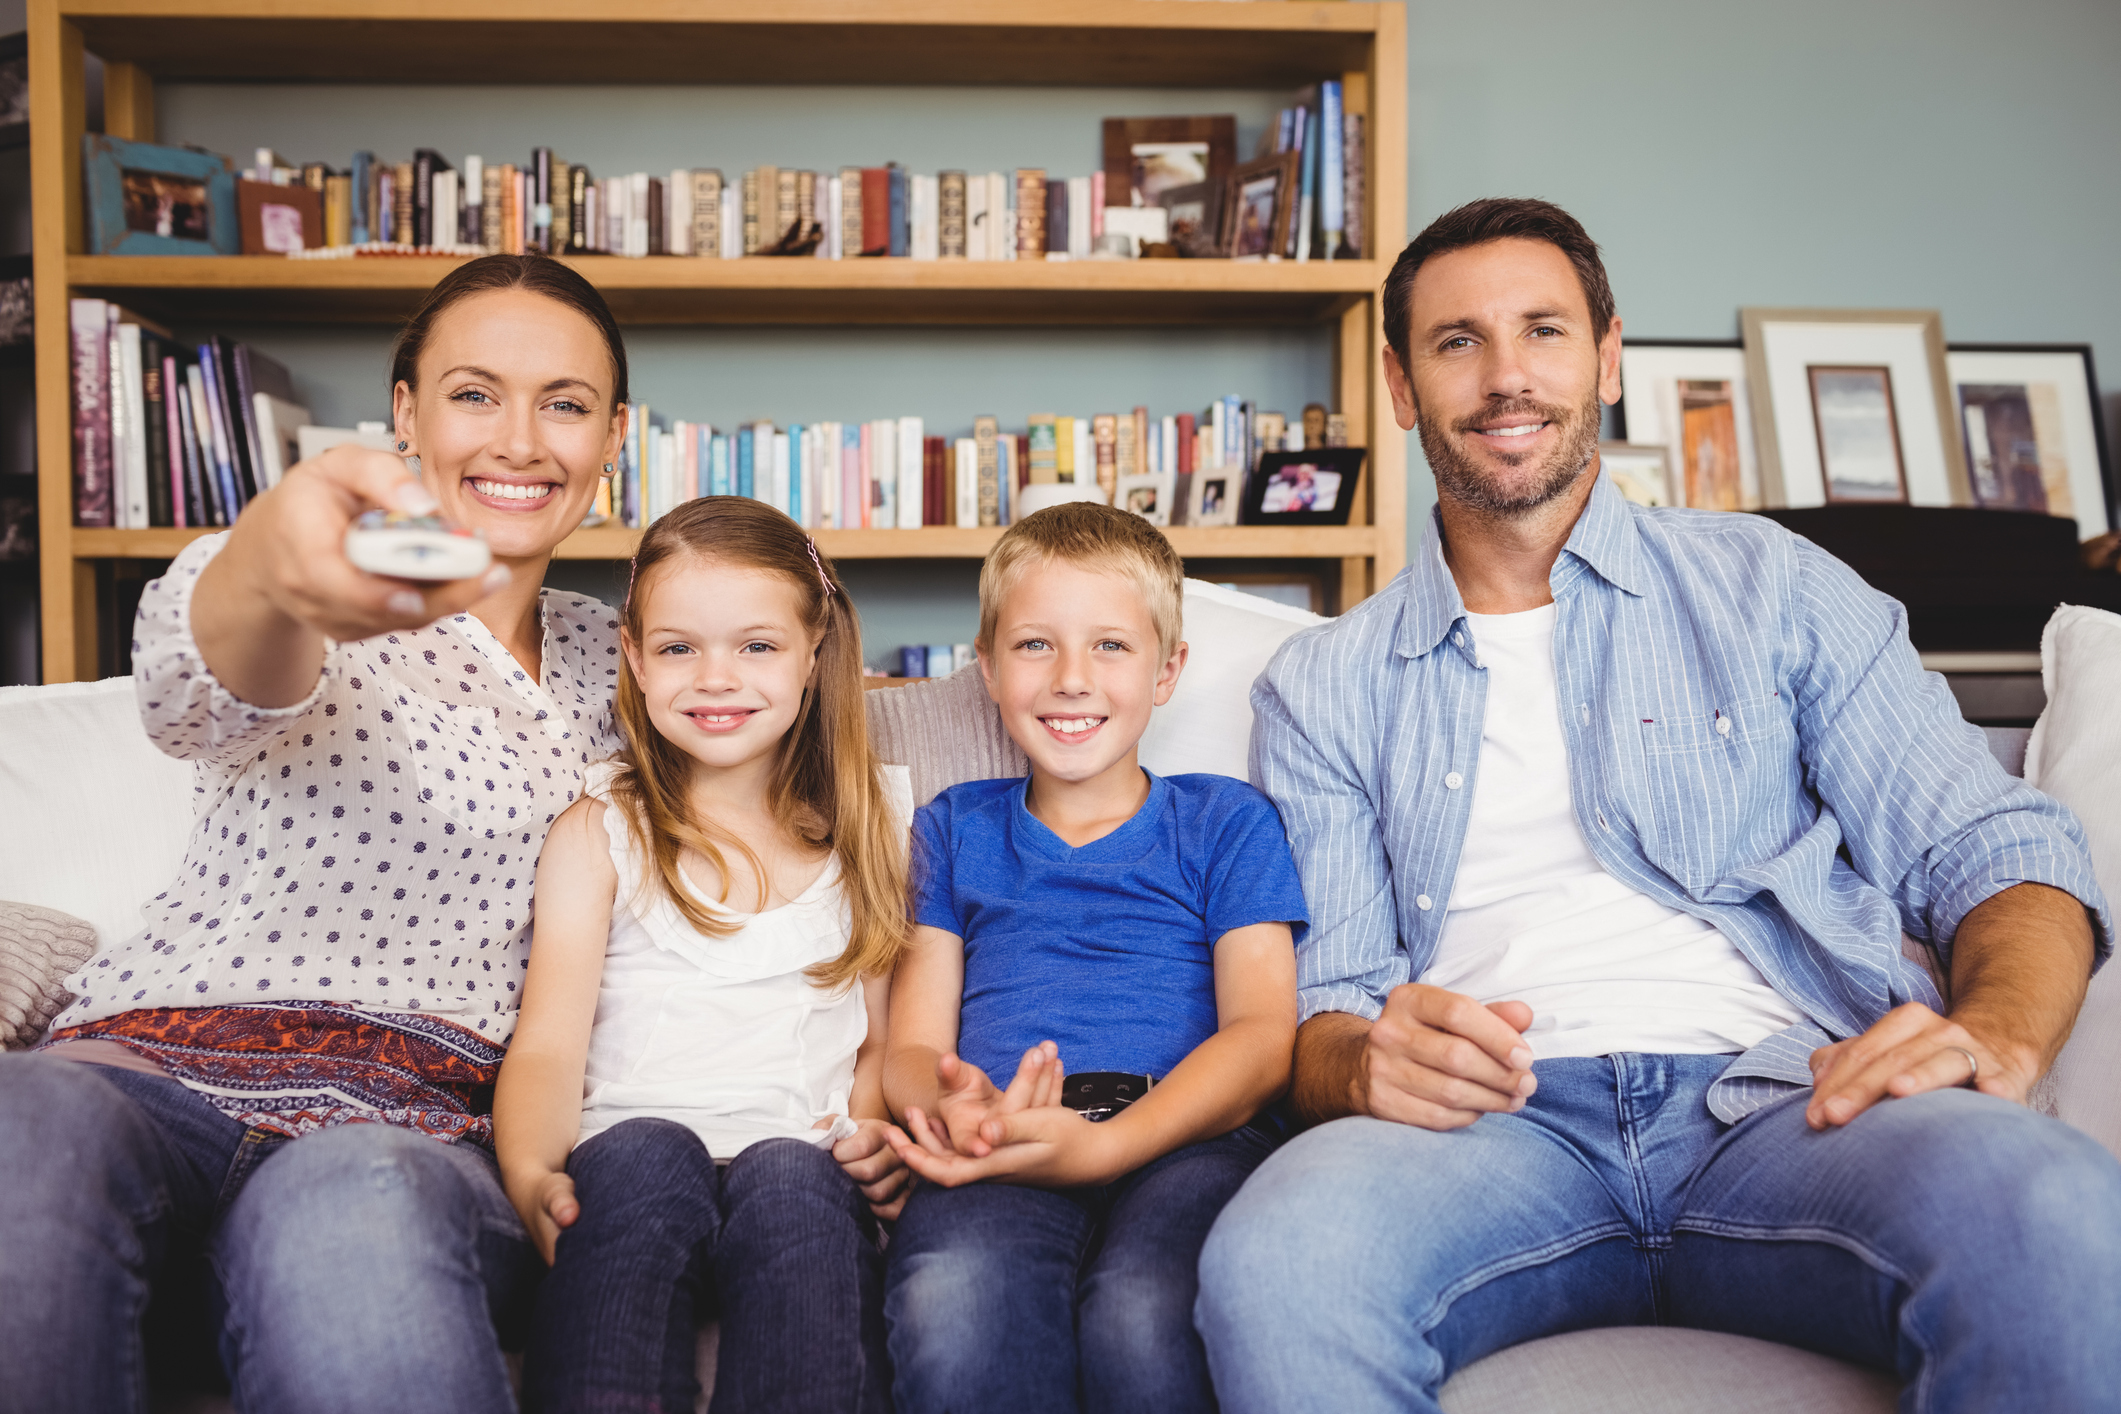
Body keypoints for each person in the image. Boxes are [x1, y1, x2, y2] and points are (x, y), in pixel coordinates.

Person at [1195, 198, 2121, 1413]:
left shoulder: (1772, 585)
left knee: (2057, 1206)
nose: (1507, 375)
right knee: (1278, 1264)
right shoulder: (1322, 684)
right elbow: (1326, 1010)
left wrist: (2000, 1028)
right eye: (1459, 341)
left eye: (1544, 330)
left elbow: (1990, 847)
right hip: (1489, 1138)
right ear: (1403, 385)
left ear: (1609, 357)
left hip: (1796, 1099)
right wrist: (1363, 1063)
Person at [0, 254, 632, 1414]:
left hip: (409, 1127)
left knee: (348, 1191)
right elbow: (199, 676)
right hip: (145, 1071)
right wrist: (268, 563)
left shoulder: (634, 656)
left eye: (566, 403)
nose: (520, 440)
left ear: (613, 437)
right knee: (23, 1115)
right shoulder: (325, 587)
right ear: (406, 413)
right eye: (475, 393)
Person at [881, 502, 1309, 1414]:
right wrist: (956, 1109)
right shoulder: (951, 826)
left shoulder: (1225, 820)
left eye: (1110, 646)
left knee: (1144, 1313)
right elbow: (911, 1048)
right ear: (988, 667)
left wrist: (1111, 1143)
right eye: (1034, 645)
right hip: (1007, 1137)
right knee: (954, 1300)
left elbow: (1262, 1037)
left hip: (1189, 1137)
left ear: (1167, 671)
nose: (1071, 679)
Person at [496, 497, 912, 1414]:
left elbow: (878, 1042)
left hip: (804, 1151)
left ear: (814, 653)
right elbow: (549, 1046)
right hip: (628, 1147)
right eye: (680, 648)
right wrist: (529, 1174)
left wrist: (873, 1130)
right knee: (645, 1154)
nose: (716, 678)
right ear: (636, 660)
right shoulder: (600, 830)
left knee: (791, 1177)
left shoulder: (871, 830)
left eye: (756, 645)